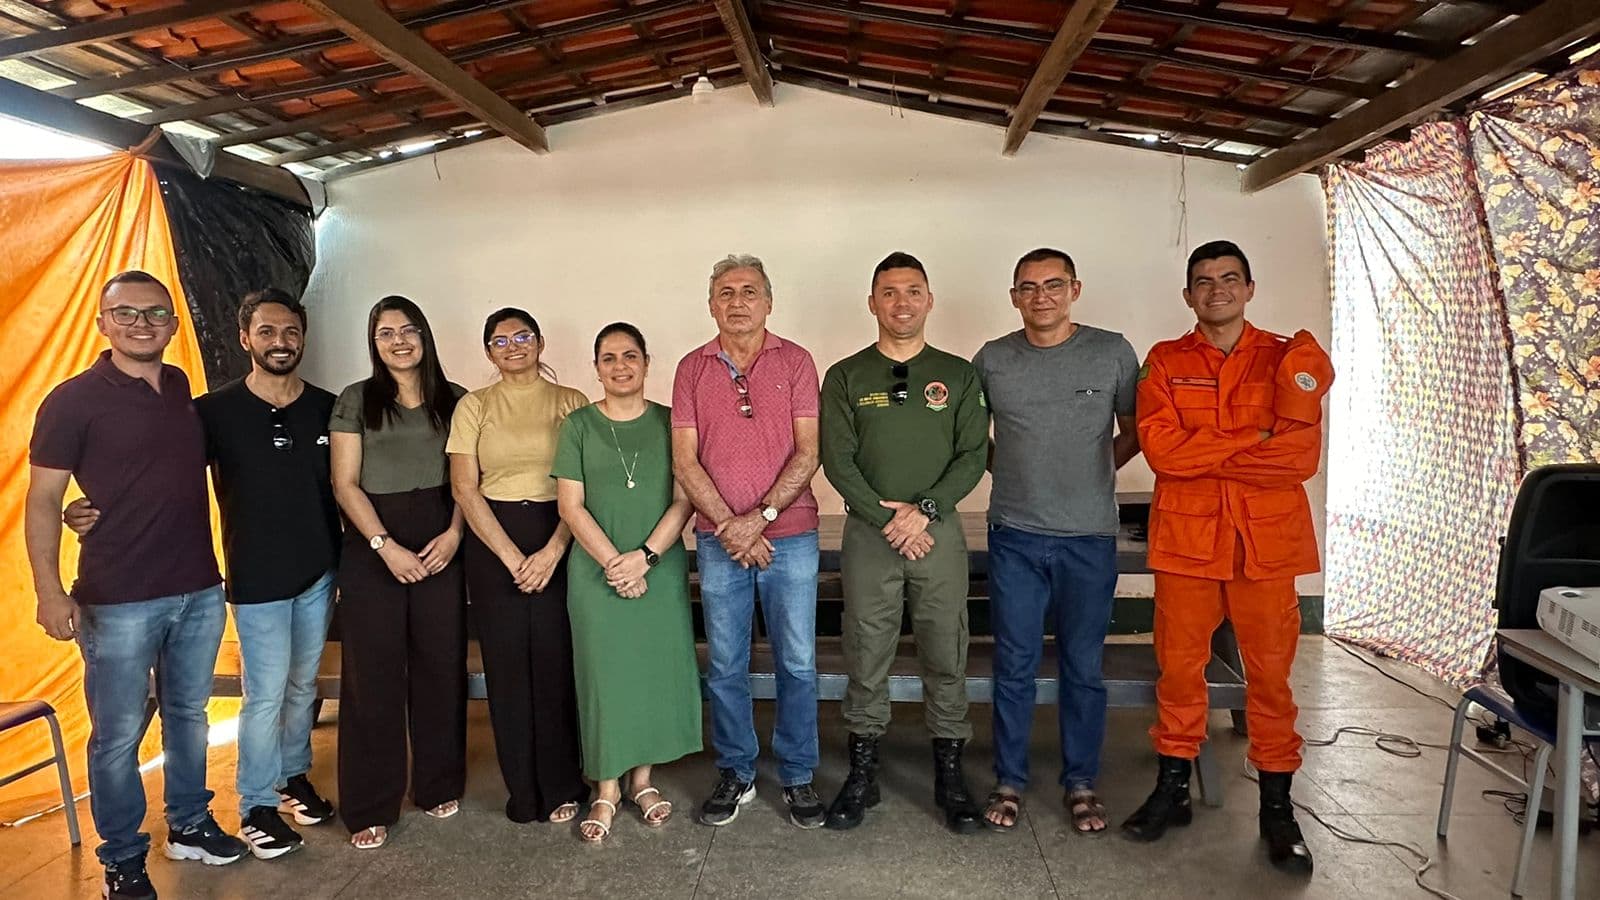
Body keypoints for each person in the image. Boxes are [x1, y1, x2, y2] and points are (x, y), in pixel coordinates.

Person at [67, 288, 343, 859]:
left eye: (290, 332)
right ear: (245, 339)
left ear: (303, 338)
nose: (280, 342)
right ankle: (255, 805)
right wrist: (87, 509)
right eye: (266, 332)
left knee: (300, 687)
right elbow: (156, 476)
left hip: (319, 570)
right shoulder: (212, 412)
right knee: (263, 694)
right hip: (254, 575)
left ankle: (292, 778)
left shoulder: (328, 407)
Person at [26, 271, 247, 900]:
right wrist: (49, 591)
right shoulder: (71, 401)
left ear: (174, 325)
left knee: (188, 715)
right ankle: (122, 858)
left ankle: (190, 824)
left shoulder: (180, 388)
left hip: (198, 589)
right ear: (102, 323)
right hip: (115, 597)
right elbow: (43, 500)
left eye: (155, 314)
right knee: (119, 734)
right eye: (126, 313)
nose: (142, 324)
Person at [1120, 240, 1333, 874]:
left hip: (1265, 546)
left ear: (1249, 287)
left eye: (1229, 279)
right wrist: (1256, 435)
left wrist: (1208, 447)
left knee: (1269, 679)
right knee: (1179, 670)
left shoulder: (1286, 358)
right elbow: (1162, 454)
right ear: (1188, 295)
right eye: (1204, 281)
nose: (1217, 290)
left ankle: (1277, 810)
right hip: (1188, 543)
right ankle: (1172, 789)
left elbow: (1299, 459)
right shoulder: (1164, 360)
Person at [819, 251, 989, 833]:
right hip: (870, 534)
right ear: (872, 302)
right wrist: (885, 516)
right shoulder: (845, 375)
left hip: (937, 534)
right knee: (867, 650)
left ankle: (950, 773)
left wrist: (926, 511)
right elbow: (836, 457)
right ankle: (862, 773)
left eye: (913, 291)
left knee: (947, 648)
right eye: (889, 292)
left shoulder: (960, 374)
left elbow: (972, 455)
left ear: (929, 299)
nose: (901, 303)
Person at [973, 249, 1141, 834]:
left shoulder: (1112, 351)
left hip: (1088, 537)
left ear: (1074, 288)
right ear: (1014, 296)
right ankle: (1010, 778)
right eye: (1028, 287)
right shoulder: (993, 359)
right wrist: (1013, 471)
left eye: (1052, 285)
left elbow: (1135, 429)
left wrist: (1097, 470)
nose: (1041, 296)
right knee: (1014, 664)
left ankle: (1081, 781)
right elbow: (971, 437)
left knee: (1082, 665)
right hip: (1014, 535)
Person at [670, 255, 824, 829]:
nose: (738, 301)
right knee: (727, 663)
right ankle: (736, 770)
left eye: (749, 291)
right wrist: (732, 527)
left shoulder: (798, 361)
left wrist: (757, 518)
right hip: (718, 542)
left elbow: (809, 451)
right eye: (726, 292)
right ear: (711, 303)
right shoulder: (691, 368)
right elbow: (684, 461)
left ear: (769, 301)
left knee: (799, 663)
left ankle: (800, 774)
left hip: (792, 536)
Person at [553, 323, 703, 842]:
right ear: (596, 367)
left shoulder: (671, 422)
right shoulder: (578, 425)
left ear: (646, 362)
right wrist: (616, 563)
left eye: (630, 355)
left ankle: (642, 781)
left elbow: (684, 498)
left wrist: (644, 557)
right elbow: (569, 506)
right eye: (609, 357)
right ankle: (605, 788)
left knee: (648, 675)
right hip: (594, 573)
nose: (620, 365)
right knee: (604, 677)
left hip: (657, 570)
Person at [330, 296, 468, 850]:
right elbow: (344, 483)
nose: (399, 340)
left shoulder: (454, 399)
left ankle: (436, 785)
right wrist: (384, 545)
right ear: (374, 342)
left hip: (441, 536)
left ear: (425, 335)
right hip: (373, 544)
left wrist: (455, 533)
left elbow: (468, 480)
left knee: (441, 666)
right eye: (386, 333)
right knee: (373, 677)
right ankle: (370, 802)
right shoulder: (356, 400)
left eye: (409, 329)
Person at [447, 308, 589, 825]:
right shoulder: (474, 405)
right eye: (500, 340)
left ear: (541, 342)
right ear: (488, 351)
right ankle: (523, 792)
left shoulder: (570, 402)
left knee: (555, 666)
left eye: (523, 336)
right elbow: (464, 487)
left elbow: (583, 486)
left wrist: (552, 551)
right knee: (506, 671)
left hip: (559, 531)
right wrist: (511, 556)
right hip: (493, 543)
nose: (513, 346)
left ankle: (562, 783)